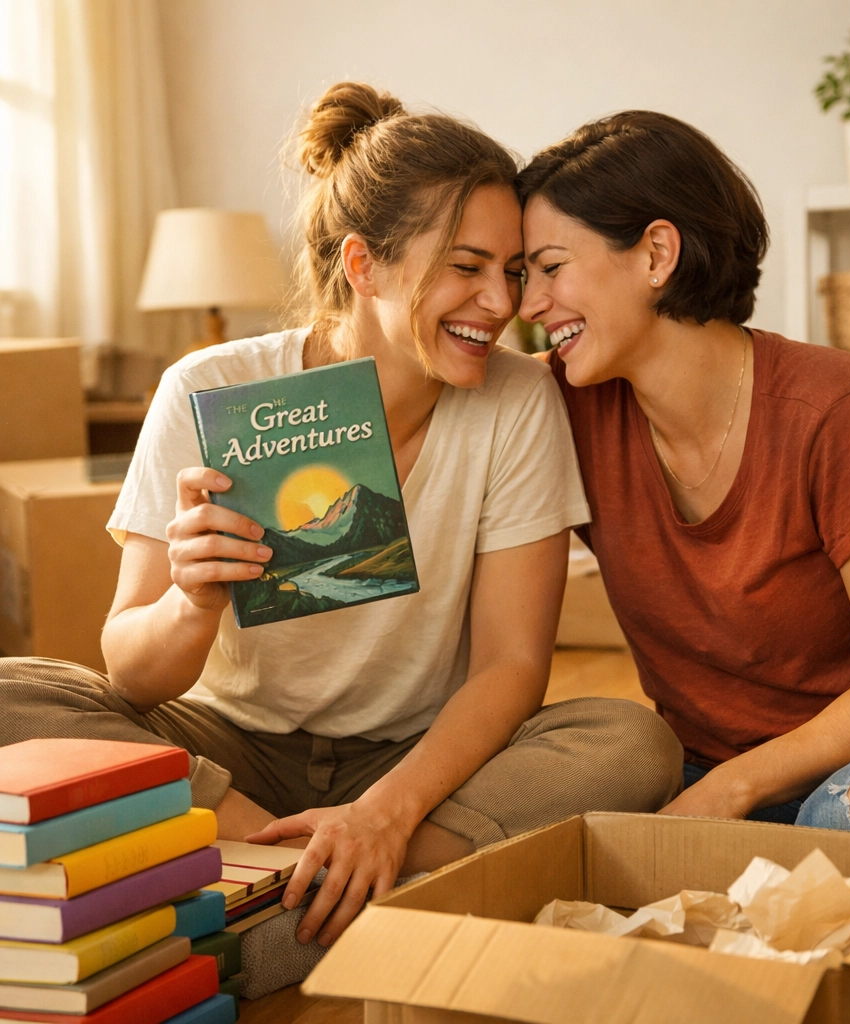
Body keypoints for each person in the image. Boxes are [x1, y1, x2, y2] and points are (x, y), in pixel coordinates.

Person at [0, 85, 681, 949]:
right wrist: (190, 602)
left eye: (512, 272)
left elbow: (511, 666)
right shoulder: (209, 389)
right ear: (363, 265)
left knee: (630, 743)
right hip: (228, 750)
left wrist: (385, 812)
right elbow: (130, 677)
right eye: (466, 267)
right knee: (14, 694)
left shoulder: (518, 400)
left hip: (415, 759)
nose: (502, 303)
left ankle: (291, 887)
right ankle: (305, 872)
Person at [517, 110, 850, 857]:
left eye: (551, 268)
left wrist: (729, 791)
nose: (529, 305)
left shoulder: (840, 410)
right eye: (521, 276)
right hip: (726, 763)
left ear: (657, 253)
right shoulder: (560, 407)